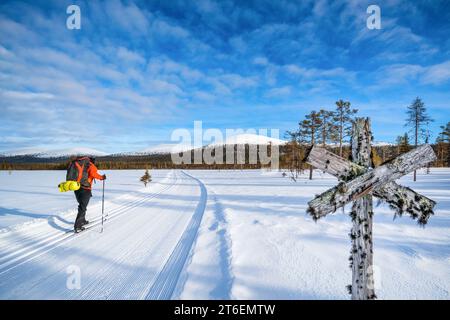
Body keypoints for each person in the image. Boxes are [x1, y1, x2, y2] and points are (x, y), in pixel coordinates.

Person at [73, 156, 106, 233]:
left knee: (82, 205)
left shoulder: (81, 165)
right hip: (85, 188)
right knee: (82, 207)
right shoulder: (91, 165)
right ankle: (77, 226)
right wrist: (101, 177)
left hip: (76, 187)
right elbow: (93, 173)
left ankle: (82, 220)